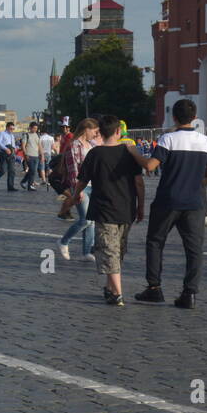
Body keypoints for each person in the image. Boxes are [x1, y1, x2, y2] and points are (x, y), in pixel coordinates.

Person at [132, 99, 207, 309]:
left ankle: (154, 288)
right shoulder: (205, 141)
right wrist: (200, 182)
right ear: (195, 117)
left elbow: (151, 166)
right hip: (194, 202)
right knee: (194, 249)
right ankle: (189, 293)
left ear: (175, 117)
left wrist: (135, 153)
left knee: (155, 242)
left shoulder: (168, 139)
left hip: (168, 199)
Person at [65, 115, 143, 306]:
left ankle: (117, 293)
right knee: (117, 250)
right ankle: (110, 288)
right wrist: (141, 205)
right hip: (126, 208)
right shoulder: (129, 153)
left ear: (100, 131)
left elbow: (82, 180)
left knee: (110, 250)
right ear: (118, 131)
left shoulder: (95, 154)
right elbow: (139, 182)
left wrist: (75, 195)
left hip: (103, 208)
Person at [57, 118, 99, 261]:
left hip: (93, 185)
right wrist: (77, 190)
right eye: (94, 131)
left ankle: (87, 251)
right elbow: (73, 169)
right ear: (86, 129)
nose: (96, 134)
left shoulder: (91, 145)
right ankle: (63, 241)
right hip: (81, 186)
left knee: (91, 220)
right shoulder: (73, 145)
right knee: (86, 219)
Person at [0, 122, 18, 191]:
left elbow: (13, 144)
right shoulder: (2, 133)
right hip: (3, 153)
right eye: (11, 128)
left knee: (12, 170)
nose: (12, 130)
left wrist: (15, 150)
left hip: (11, 153)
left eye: (13, 129)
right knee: (3, 170)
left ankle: (10, 186)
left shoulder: (12, 136)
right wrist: (6, 149)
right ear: (7, 127)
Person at [20, 123, 42, 190]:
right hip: (29, 155)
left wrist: (42, 155)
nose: (35, 130)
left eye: (36, 128)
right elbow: (23, 145)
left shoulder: (37, 135)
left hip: (36, 156)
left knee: (33, 171)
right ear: (30, 128)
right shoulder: (26, 135)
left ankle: (24, 182)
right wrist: (25, 154)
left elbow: (39, 146)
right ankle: (30, 185)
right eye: (34, 128)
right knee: (32, 170)